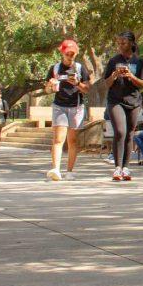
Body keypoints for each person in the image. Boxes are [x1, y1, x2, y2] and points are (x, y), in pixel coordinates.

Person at [103, 30, 143, 181]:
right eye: (119, 43)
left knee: (129, 134)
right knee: (120, 132)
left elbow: (142, 84)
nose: (120, 46)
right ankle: (117, 168)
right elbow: (107, 83)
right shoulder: (113, 61)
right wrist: (114, 75)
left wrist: (131, 76)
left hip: (134, 102)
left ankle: (126, 167)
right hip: (115, 100)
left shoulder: (140, 62)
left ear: (131, 43)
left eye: (123, 43)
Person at [44, 39, 91, 180]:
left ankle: (69, 171)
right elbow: (47, 90)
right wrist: (51, 85)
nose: (70, 55)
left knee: (72, 141)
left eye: (73, 53)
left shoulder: (80, 68)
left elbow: (87, 89)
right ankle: (55, 169)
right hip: (59, 106)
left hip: (76, 107)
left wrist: (77, 83)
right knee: (58, 139)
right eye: (67, 53)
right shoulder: (55, 68)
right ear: (62, 52)